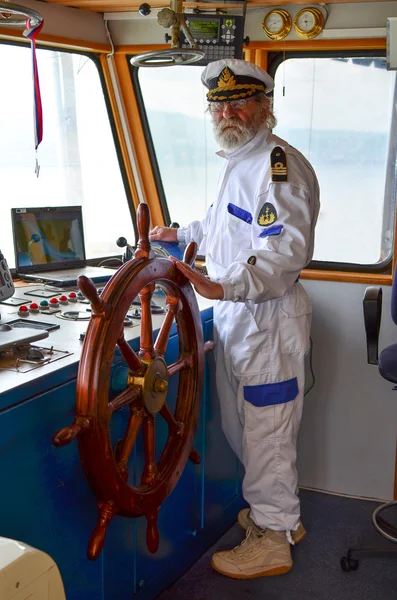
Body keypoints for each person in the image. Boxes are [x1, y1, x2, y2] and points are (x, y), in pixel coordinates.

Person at [150, 58, 320, 579]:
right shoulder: (238, 161)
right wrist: (180, 234)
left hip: (266, 321)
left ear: (264, 107)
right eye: (218, 104)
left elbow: (283, 252)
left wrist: (222, 285)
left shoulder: (279, 167)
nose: (227, 111)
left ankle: (274, 538)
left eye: (239, 101)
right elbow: (228, 225)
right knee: (242, 426)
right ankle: (280, 521)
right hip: (238, 319)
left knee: (266, 433)